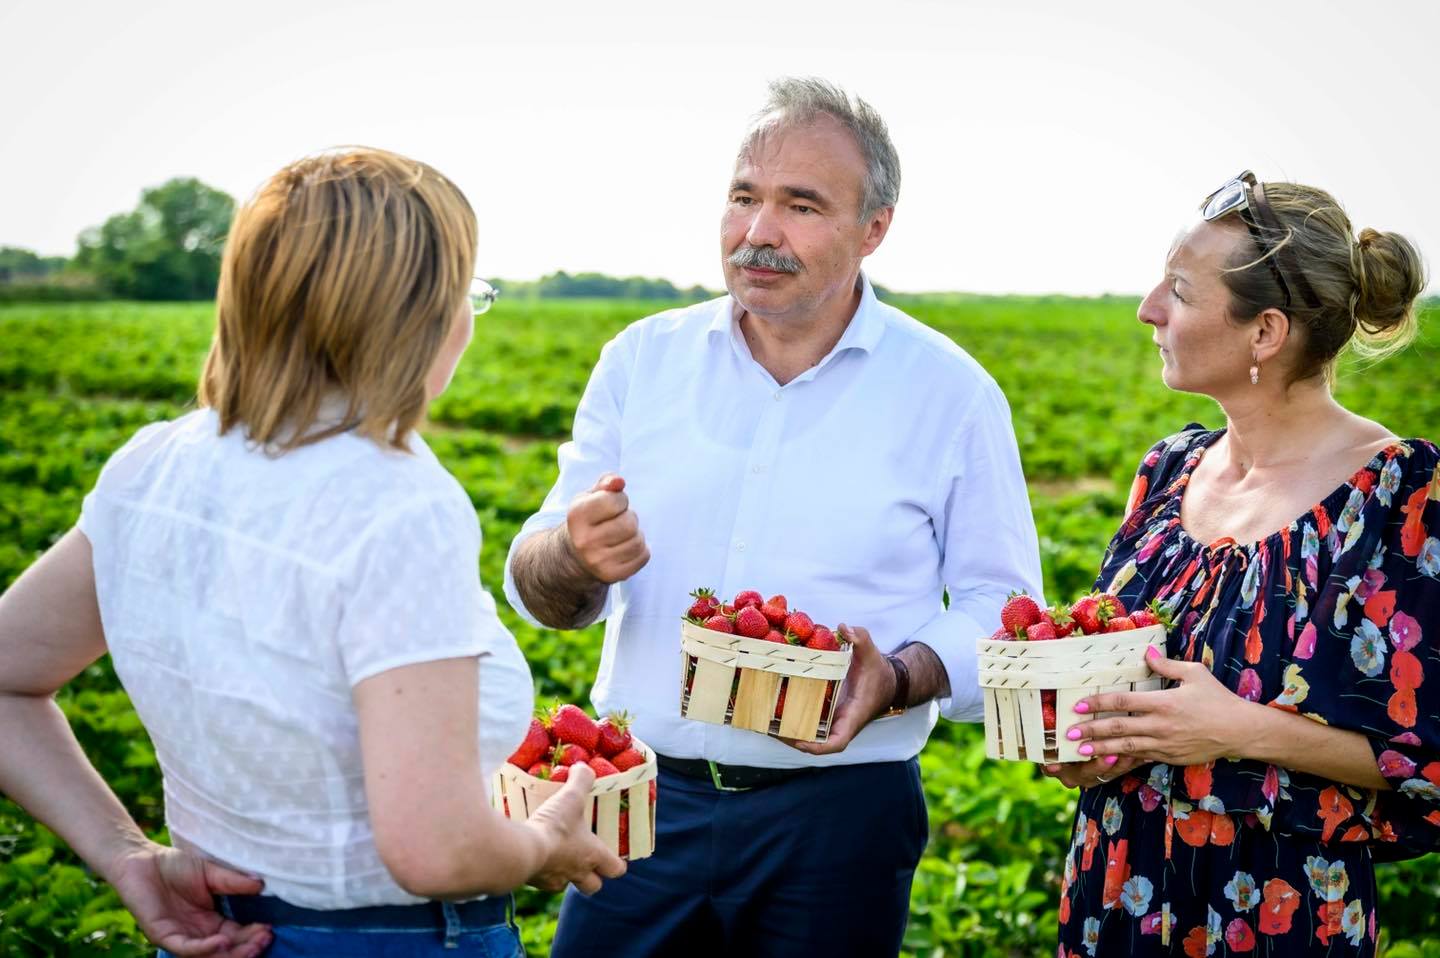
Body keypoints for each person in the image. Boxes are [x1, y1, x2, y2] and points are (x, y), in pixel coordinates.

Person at [0, 147, 624, 958]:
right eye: (467, 291)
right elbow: (434, 850)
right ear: (415, 313)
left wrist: (126, 857)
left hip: (220, 933)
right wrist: (546, 842)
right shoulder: (396, 503)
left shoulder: (153, 464)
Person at [504, 77, 1044, 956]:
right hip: (639, 808)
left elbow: (1002, 608)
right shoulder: (643, 361)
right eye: (744, 197)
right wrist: (570, 554)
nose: (759, 232)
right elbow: (541, 589)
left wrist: (900, 676)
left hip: (839, 822)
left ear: (875, 229)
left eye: (801, 205)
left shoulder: (949, 393)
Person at [1047, 171, 1439, 956]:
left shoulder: (1397, 496)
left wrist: (1237, 729)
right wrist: (1088, 743)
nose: (1148, 309)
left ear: (1265, 333)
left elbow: (1426, 755)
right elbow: (1121, 678)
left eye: (1182, 293)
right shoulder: (1167, 472)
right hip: (1115, 887)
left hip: (1273, 911)